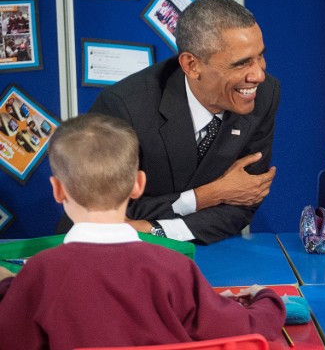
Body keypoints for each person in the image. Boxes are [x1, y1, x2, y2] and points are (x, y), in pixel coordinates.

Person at [0, 113, 286, 349]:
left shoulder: (38, 274)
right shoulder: (176, 269)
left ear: (58, 190)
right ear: (138, 184)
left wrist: (11, 289)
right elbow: (248, 330)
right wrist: (267, 300)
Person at [56, 0, 278, 244]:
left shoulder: (265, 95)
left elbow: (243, 203)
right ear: (191, 65)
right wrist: (206, 196)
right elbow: (101, 209)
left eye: (259, 56)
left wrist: (156, 229)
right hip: (108, 252)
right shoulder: (124, 107)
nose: (258, 74)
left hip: (207, 251)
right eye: (241, 63)